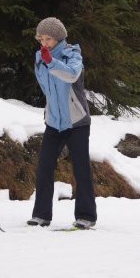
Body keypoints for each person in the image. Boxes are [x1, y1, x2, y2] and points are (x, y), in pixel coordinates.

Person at [27, 17, 97, 229]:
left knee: (81, 169)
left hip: (76, 122)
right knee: (44, 169)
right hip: (54, 123)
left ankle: (86, 216)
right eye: (41, 39)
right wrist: (45, 60)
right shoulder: (40, 57)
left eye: (48, 39)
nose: (44, 43)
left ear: (58, 38)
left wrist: (51, 62)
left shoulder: (72, 55)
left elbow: (71, 75)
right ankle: (41, 215)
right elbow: (47, 88)